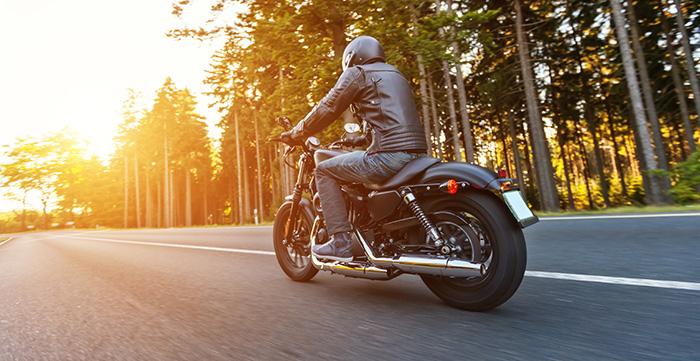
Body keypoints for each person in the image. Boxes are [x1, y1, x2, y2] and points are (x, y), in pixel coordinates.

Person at [279, 35, 427, 262]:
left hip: (388, 156)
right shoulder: (395, 74)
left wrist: (297, 133)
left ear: (352, 57)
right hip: (416, 153)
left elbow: (327, 108)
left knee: (324, 171)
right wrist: (357, 140)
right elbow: (388, 118)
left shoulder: (358, 73)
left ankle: (341, 244)